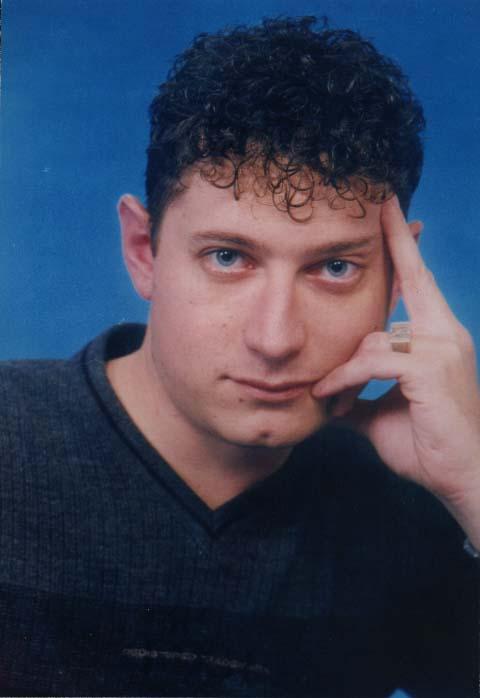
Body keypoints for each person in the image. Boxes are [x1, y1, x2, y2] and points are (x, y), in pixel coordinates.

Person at [0, 15, 478, 698]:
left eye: (335, 268)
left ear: (400, 278)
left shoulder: (420, 506)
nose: (275, 339)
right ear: (143, 252)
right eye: (228, 257)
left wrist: (472, 484)